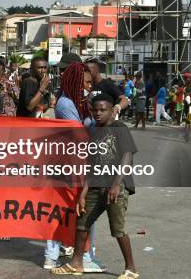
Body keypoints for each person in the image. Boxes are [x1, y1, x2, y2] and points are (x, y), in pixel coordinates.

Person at [52, 93, 139, 279]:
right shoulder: (93, 132)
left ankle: (131, 268)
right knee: (82, 223)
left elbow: (127, 156)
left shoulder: (119, 128)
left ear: (111, 110)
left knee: (118, 229)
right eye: (95, 110)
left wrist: (116, 184)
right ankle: (76, 263)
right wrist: (83, 193)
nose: (98, 113)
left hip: (116, 187)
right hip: (95, 187)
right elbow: (91, 165)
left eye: (103, 110)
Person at [48, 62, 105, 273]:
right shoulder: (65, 104)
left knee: (83, 210)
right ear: (75, 82)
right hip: (70, 164)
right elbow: (79, 134)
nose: (89, 87)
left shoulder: (78, 102)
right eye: (87, 82)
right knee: (68, 210)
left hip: (81, 163)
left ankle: (84, 254)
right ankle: (60, 255)